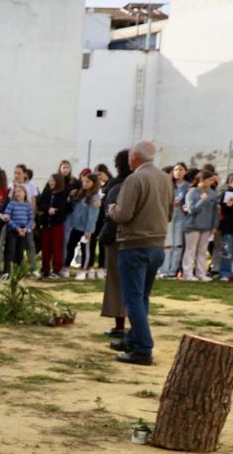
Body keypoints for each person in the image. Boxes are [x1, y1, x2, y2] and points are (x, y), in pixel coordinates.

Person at [109, 140, 172, 365]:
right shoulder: (165, 178)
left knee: (133, 299)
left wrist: (111, 209)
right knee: (142, 297)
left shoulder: (134, 179)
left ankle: (143, 349)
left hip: (135, 244)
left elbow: (124, 213)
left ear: (134, 158)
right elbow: (170, 212)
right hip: (157, 244)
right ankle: (134, 339)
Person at [98, 151, 132, 336]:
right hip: (139, 238)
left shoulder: (118, 187)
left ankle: (120, 325)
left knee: (117, 282)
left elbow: (113, 215)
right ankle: (130, 326)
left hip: (119, 237)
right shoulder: (145, 183)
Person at [182, 170, 220, 282]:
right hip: (192, 226)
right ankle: (187, 273)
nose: (211, 182)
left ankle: (201, 273)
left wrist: (214, 225)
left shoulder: (212, 193)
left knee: (202, 251)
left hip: (207, 226)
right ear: (202, 180)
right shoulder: (192, 192)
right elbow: (191, 209)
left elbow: (215, 211)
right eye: (209, 179)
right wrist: (202, 200)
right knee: (190, 250)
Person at [64, 172, 102, 277]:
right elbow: (74, 208)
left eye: (88, 182)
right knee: (70, 246)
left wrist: (88, 230)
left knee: (85, 250)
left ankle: (84, 271)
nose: (84, 184)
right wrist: (71, 196)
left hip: (86, 229)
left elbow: (92, 216)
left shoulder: (95, 198)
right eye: (83, 181)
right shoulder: (80, 194)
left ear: (94, 183)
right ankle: (66, 267)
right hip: (76, 226)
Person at [36, 168, 71, 279]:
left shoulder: (62, 193)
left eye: (53, 181)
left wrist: (56, 211)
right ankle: (45, 269)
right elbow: (41, 204)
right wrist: (48, 209)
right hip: (46, 224)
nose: (51, 183)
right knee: (46, 247)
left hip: (57, 224)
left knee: (57, 247)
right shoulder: (46, 192)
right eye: (50, 180)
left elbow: (65, 208)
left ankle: (57, 269)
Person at [162, 162, 191, 279]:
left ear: (185, 171)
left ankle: (173, 270)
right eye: (176, 170)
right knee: (168, 243)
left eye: (181, 169)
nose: (178, 172)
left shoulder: (188, 186)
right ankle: (164, 269)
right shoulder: (168, 185)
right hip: (169, 215)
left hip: (181, 216)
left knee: (178, 244)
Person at [2, 184, 33, 269]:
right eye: (15, 192)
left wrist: (25, 229)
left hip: (23, 230)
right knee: (10, 251)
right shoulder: (11, 203)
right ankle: (7, 271)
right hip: (13, 230)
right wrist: (17, 228)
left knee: (20, 251)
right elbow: (7, 217)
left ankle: (18, 271)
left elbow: (31, 219)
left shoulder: (28, 204)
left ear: (25, 193)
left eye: (19, 191)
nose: (17, 193)